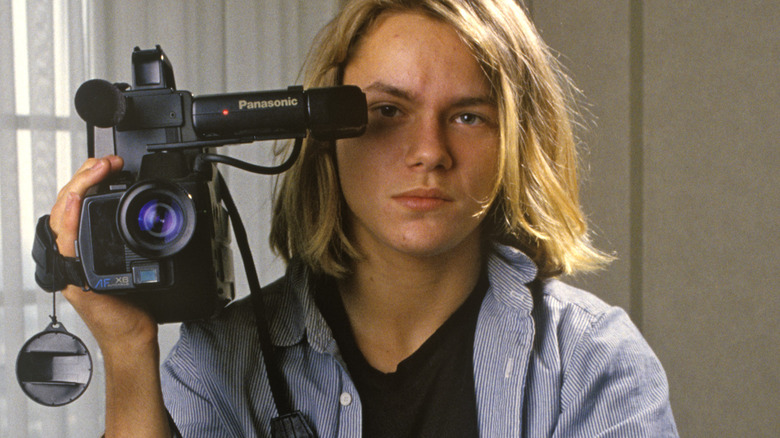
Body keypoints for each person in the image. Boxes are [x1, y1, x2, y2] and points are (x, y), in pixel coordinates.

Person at [49, 0, 678, 436]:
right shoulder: (222, 360)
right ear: (325, 135)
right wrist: (129, 352)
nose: (429, 151)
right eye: (387, 112)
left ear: (514, 143)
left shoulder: (589, 362)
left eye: (468, 116)